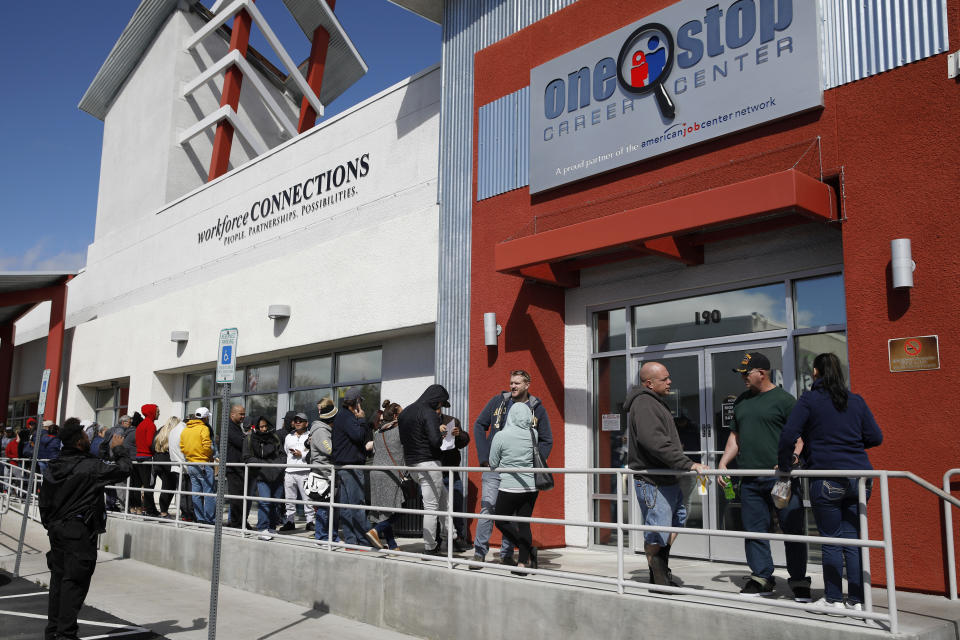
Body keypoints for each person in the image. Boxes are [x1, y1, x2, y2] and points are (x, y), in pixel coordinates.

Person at [778, 352, 883, 613]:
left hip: (827, 477)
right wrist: (851, 446)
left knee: (831, 540)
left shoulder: (810, 400)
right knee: (853, 540)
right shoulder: (856, 401)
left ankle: (834, 598)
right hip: (860, 478)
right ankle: (857, 601)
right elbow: (875, 437)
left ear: (815, 373)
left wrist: (785, 465)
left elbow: (788, 435)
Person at [718, 352, 810, 600]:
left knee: (792, 529)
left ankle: (799, 579)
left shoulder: (784, 400)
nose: (743, 379)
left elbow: (800, 438)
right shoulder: (741, 402)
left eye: (746, 374)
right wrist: (724, 462)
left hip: (780, 478)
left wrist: (791, 459)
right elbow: (735, 438)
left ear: (762, 373)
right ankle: (761, 577)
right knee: (755, 530)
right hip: (750, 479)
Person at [39, 419, 132, 640]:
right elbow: (124, 470)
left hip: (58, 530)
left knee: (59, 582)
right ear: (79, 442)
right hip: (77, 532)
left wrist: (50, 525)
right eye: (85, 434)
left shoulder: (55, 465)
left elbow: (44, 500)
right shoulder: (88, 468)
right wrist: (118, 448)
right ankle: (66, 634)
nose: (88, 437)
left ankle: (54, 631)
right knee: (75, 583)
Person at [625, 361, 708, 586]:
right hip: (652, 479)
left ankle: (659, 570)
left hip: (666, 478)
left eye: (669, 377)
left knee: (676, 520)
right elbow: (654, 442)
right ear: (649, 383)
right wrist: (687, 464)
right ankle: (660, 577)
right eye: (665, 379)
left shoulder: (654, 402)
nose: (670, 382)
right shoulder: (644, 403)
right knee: (658, 530)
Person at [473, 370, 553, 567]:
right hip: (494, 468)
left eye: (517, 383)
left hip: (520, 473)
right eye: (511, 383)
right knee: (489, 509)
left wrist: (532, 463)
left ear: (527, 384)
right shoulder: (498, 402)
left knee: (513, 517)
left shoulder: (537, 409)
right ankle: (479, 553)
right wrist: (484, 458)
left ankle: (507, 554)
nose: (513, 386)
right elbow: (479, 425)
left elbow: (546, 440)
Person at [399, 383, 458, 555]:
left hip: (412, 464)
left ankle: (451, 536)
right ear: (437, 400)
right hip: (429, 464)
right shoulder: (429, 413)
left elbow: (403, 440)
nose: (440, 408)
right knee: (431, 507)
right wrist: (443, 434)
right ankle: (430, 546)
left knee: (444, 500)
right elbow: (435, 442)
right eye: (441, 404)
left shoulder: (406, 412)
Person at [488, 403, 541, 573]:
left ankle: (526, 548)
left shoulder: (501, 436)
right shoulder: (534, 433)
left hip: (509, 487)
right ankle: (523, 563)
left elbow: (493, 463)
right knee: (524, 524)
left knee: (501, 521)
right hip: (531, 488)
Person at [331, 389, 372, 546]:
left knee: (346, 506)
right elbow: (359, 436)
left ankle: (351, 541)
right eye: (359, 402)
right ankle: (362, 541)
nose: (360, 405)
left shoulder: (340, 416)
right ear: (356, 402)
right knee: (356, 505)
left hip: (343, 465)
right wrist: (362, 420)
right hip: (351, 466)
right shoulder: (348, 417)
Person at [367, 400, 405, 550]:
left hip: (376, 472)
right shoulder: (400, 430)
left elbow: (376, 450)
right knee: (402, 508)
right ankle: (376, 530)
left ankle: (392, 545)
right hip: (390, 474)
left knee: (384, 511)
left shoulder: (378, 432)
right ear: (396, 415)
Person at [243, 415, 285, 540]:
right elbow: (246, 457)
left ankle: (272, 527)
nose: (264, 429)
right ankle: (262, 529)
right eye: (261, 426)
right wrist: (264, 464)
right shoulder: (250, 439)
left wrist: (278, 466)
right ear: (256, 427)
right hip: (261, 475)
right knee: (265, 502)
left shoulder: (275, 437)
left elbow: (283, 455)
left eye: (265, 426)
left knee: (275, 503)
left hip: (277, 474)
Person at [439, 411, 471, 551]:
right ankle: (438, 541)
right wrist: (436, 431)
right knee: (437, 509)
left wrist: (459, 434)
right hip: (435, 472)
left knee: (457, 504)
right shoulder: (427, 420)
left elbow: (465, 440)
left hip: (452, 471)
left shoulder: (452, 420)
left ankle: (459, 540)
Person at [310, 399, 340, 543]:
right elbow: (329, 450)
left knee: (332, 509)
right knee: (324, 509)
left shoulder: (324, 429)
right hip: (323, 474)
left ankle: (332, 536)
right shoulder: (321, 431)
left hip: (329, 474)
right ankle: (322, 537)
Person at [279, 413, 315, 532]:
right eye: (296, 420)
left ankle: (310, 521)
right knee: (289, 499)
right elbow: (286, 451)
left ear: (306, 423)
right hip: (289, 471)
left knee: (307, 499)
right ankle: (290, 521)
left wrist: (302, 455)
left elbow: (313, 452)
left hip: (304, 470)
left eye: (301, 420)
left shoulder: (310, 435)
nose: (298, 422)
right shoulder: (288, 436)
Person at [180, 407, 215, 525]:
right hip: (203, 463)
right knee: (208, 493)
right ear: (205, 418)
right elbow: (207, 446)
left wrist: (191, 455)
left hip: (191, 463)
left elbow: (182, 447)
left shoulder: (186, 429)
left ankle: (200, 518)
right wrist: (209, 456)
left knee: (196, 493)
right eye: (208, 417)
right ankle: (209, 519)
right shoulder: (204, 428)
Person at [133, 404, 160, 518]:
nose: (159, 413)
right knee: (149, 484)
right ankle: (150, 510)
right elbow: (150, 443)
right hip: (147, 458)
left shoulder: (141, 425)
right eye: (157, 411)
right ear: (151, 412)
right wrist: (157, 449)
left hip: (137, 457)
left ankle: (138, 508)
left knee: (137, 485)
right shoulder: (151, 425)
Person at [151, 417, 181, 518]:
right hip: (168, 461)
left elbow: (152, 446)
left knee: (165, 486)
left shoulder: (161, 430)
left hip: (157, 460)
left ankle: (163, 511)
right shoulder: (175, 431)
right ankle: (164, 512)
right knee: (169, 487)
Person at [225, 404, 248, 528]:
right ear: (232, 414)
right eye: (241, 414)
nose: (243, 416)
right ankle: (236, 522)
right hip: (234, 468)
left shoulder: (236, 427)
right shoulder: (229, 427)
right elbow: (241, 442)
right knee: (237, 497)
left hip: (238, 467)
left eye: (244, 414)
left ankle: (240, 521)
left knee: (240, 496)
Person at [167, 417, 194, 522]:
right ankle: (189, 514)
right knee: (187, 492)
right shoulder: (185, 430)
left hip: (176, 465)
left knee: (182, 492)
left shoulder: (174, 430)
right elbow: (186, 448)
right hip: (184, 465)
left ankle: (185, 514)